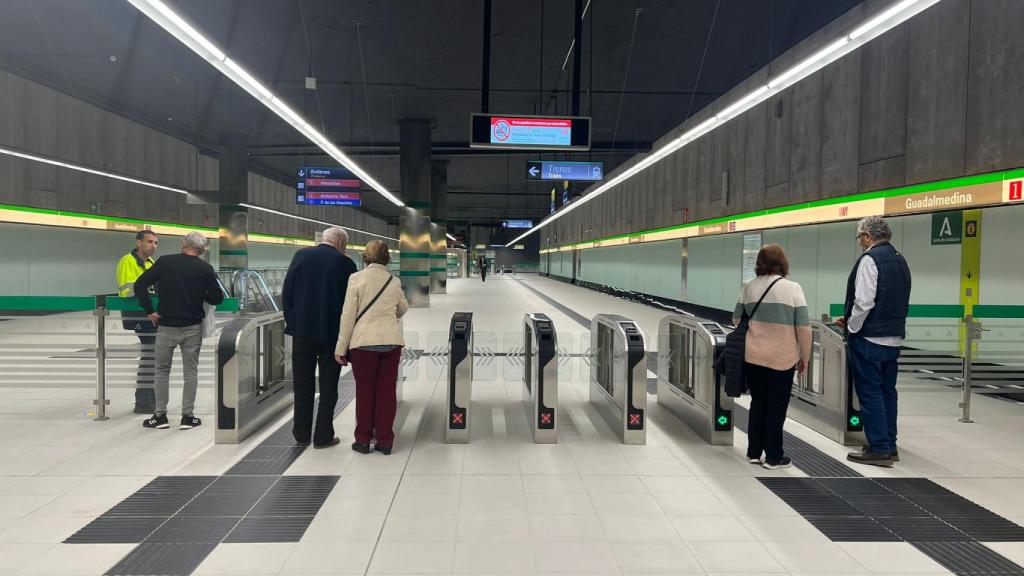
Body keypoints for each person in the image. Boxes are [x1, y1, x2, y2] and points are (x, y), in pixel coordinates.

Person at [839, 216, 911, 467]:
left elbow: (865, 301)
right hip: (893, 337)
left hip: (869, 338)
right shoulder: (900, 259)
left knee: (869, 392)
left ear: (868, 236)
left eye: (860, 238)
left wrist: (851, 326)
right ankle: (890, 445)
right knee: (887, 392)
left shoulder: (870, 259)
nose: (860, 243)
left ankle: (878, 447)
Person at [133, 232, 223, 430]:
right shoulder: (205, 269)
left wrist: (150, 311)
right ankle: (187, 417)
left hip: (165, 326)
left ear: (183, 244)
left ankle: (160, 416)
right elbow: (217, 299)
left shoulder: (165, 262)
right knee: (190, 372)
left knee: (162, 370)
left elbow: (139, 285)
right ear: (202, 250)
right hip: (192, 327)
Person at [732, 244, 811, 470]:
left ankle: (754, 453)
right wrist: (804, 358)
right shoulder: (793, 288)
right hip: (781, 358)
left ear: (759, 262)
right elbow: (803, 328)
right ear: (783, 263)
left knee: (758, 403)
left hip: (754, 356)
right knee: (776, 408)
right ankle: (774, 457)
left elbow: (736, 319)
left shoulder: (749, 286)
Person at [282, 227, 358, 448]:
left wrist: (293, 322)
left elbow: (288, 292)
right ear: (342, 243)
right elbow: (349, 303)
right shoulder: (346, 264)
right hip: (331, 333)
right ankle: (323, 436)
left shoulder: (301, 255)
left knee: (303, 384)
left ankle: (301, 433)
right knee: (328, 387)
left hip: (302, 332)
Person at [335, 240, 408, 455]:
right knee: (386, 392)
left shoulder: (356, 279)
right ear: (387, 258)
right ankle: (385, 440)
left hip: (363, 344)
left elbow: (348, 315)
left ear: (365, 257)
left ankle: (363, 439)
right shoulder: (393, 281)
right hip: (390, 342)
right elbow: (402, 308)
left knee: (365, 391)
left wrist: (341, 347)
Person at [116, 230, 159, 413]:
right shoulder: (128, 261)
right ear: (138, 243)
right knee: (150, 355)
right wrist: (148, 288)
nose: (153, 246)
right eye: (150, 242)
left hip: (151, 314)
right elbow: (128, 290)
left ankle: (149, 398)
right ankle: (143, 401)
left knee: (152, 355)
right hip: (138, 313)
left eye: (156, 243)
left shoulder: (150, 262)